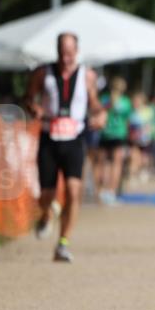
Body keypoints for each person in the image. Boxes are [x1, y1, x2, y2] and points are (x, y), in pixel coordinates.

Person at [24, 32, 106, 262]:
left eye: (70, 53)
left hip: (75, 138)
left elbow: (95, 104)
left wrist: (100, 115)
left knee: (73, 190)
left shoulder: (87, 76)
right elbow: (28, 97)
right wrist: (34, 108)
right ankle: (47, 213)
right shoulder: (43, 73)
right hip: (50, 137)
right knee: (45, 195)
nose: (66, 58)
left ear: (77, 52)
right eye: (62, 52)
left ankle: (63, 244)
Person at [96, 76, 132, 204]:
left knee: (102, 164)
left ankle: (100, 191)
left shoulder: (104, 99)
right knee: (116, 164)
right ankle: (111, 192)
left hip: (105, 134)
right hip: (119, 135)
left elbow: (98, 114)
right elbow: (128, 121)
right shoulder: (126, 102)